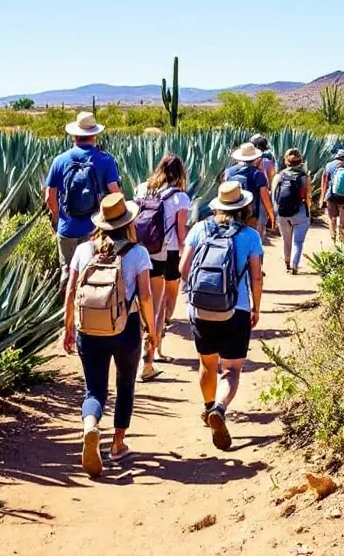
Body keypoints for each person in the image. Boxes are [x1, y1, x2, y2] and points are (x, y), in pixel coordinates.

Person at [63, 193, 159, 477]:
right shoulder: (137, 253)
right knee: (126, 384)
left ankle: (90, 427)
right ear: (127, 222)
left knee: (94, 389)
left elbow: (70, 291)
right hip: (125, 328)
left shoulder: (83, 250)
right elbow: (146, 296)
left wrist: (68, 326)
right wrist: (152, 332)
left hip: (89, 328)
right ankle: (117, 445)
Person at [180, 181, 264, 450]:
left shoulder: (199, 228)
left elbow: (183, 268)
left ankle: (207, 408)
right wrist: (256, 307)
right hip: (235, 310)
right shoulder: (250, 236)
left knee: (207, 364)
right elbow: (256, 278)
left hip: (201, 309)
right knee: (231, 370)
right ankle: (219, 407)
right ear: (242, 207)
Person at [45, 112, 122, 297]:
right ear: (94, 135)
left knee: (68, 274)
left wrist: (57, 218)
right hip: (95, 230)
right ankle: (91, 316)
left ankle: (68, 313)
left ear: (74, 135)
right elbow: (115, 193)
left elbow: (49, 196)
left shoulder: (60, 160)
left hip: (67, 229)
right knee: (93, 274)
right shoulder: (105, 160)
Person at [133, 153, 191, 380]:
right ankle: (149, 357)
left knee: (143, 301)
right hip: (167, 252)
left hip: (140, 251)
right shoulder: (180, 198)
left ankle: (152, 349)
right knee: (158, 304)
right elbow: (181, 231)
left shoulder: (141, 189)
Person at [272, 148, 312, 274]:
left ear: (285, 161)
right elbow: (308, 197)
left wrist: (275, 214)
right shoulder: (305, 178)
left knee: (286, 240)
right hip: (300, 212)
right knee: (298, 242)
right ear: (301, 162)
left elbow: (273, 196)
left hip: (283, 213)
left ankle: (287, 263)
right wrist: (308, 211)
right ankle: (295, 265)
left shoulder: (279, 176)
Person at [222, 142, 276, 235]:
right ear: (255, 158)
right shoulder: (257, 174)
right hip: (250, 213)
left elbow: (224, 190)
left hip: (231, 211)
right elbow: (265, 195)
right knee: (250, 237)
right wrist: (271, 214)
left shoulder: (229, 172)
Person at [321, 149, 344, 243]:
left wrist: (322, 197)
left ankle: (333, 239)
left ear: (337, 156)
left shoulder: (329, 165)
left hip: (331, 195)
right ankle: (342, 238)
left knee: (332, 217)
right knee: (343, 219)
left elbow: (324, 182)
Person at [251, 135, 279, 234]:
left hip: (248, 198)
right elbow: (271, 184)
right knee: (260, 227)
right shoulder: (269, 163)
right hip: (262, 199)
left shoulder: (245, 163)